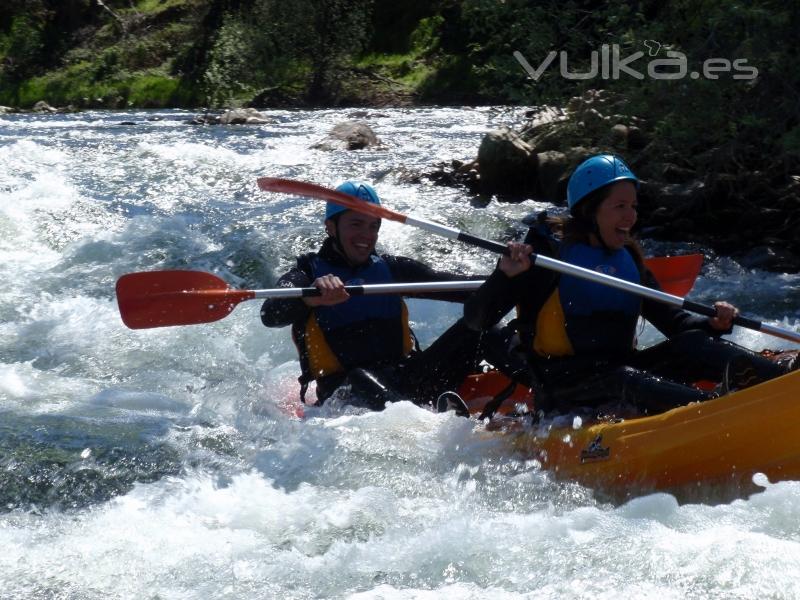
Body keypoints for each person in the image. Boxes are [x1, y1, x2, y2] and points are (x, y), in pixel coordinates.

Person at [464, 153, 793, 416]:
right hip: (564, 385)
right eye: (619, 206)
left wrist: (711, 322)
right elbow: (477, 320)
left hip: (622, 369)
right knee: (625, 379)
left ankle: (784, 381)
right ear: (590, 211)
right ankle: (717, 411)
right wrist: (503, 276)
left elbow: (674, 321)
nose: (631, 216)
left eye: (633, 206)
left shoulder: (629, 260)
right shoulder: (547, 259)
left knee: (692, 342)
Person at [261, 180, 484, 411]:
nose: (366, 235)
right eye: (356, 224)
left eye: (373, 226)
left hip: (408, 379)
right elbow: (270, 314)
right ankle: (419, 425)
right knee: (361, 378)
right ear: (331, 227)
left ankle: (522, 389)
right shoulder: (306, 274)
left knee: (482, 324)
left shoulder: (391, 269)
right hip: (347, 395)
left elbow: (464, 288)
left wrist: (510, 273)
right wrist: (311, 298)